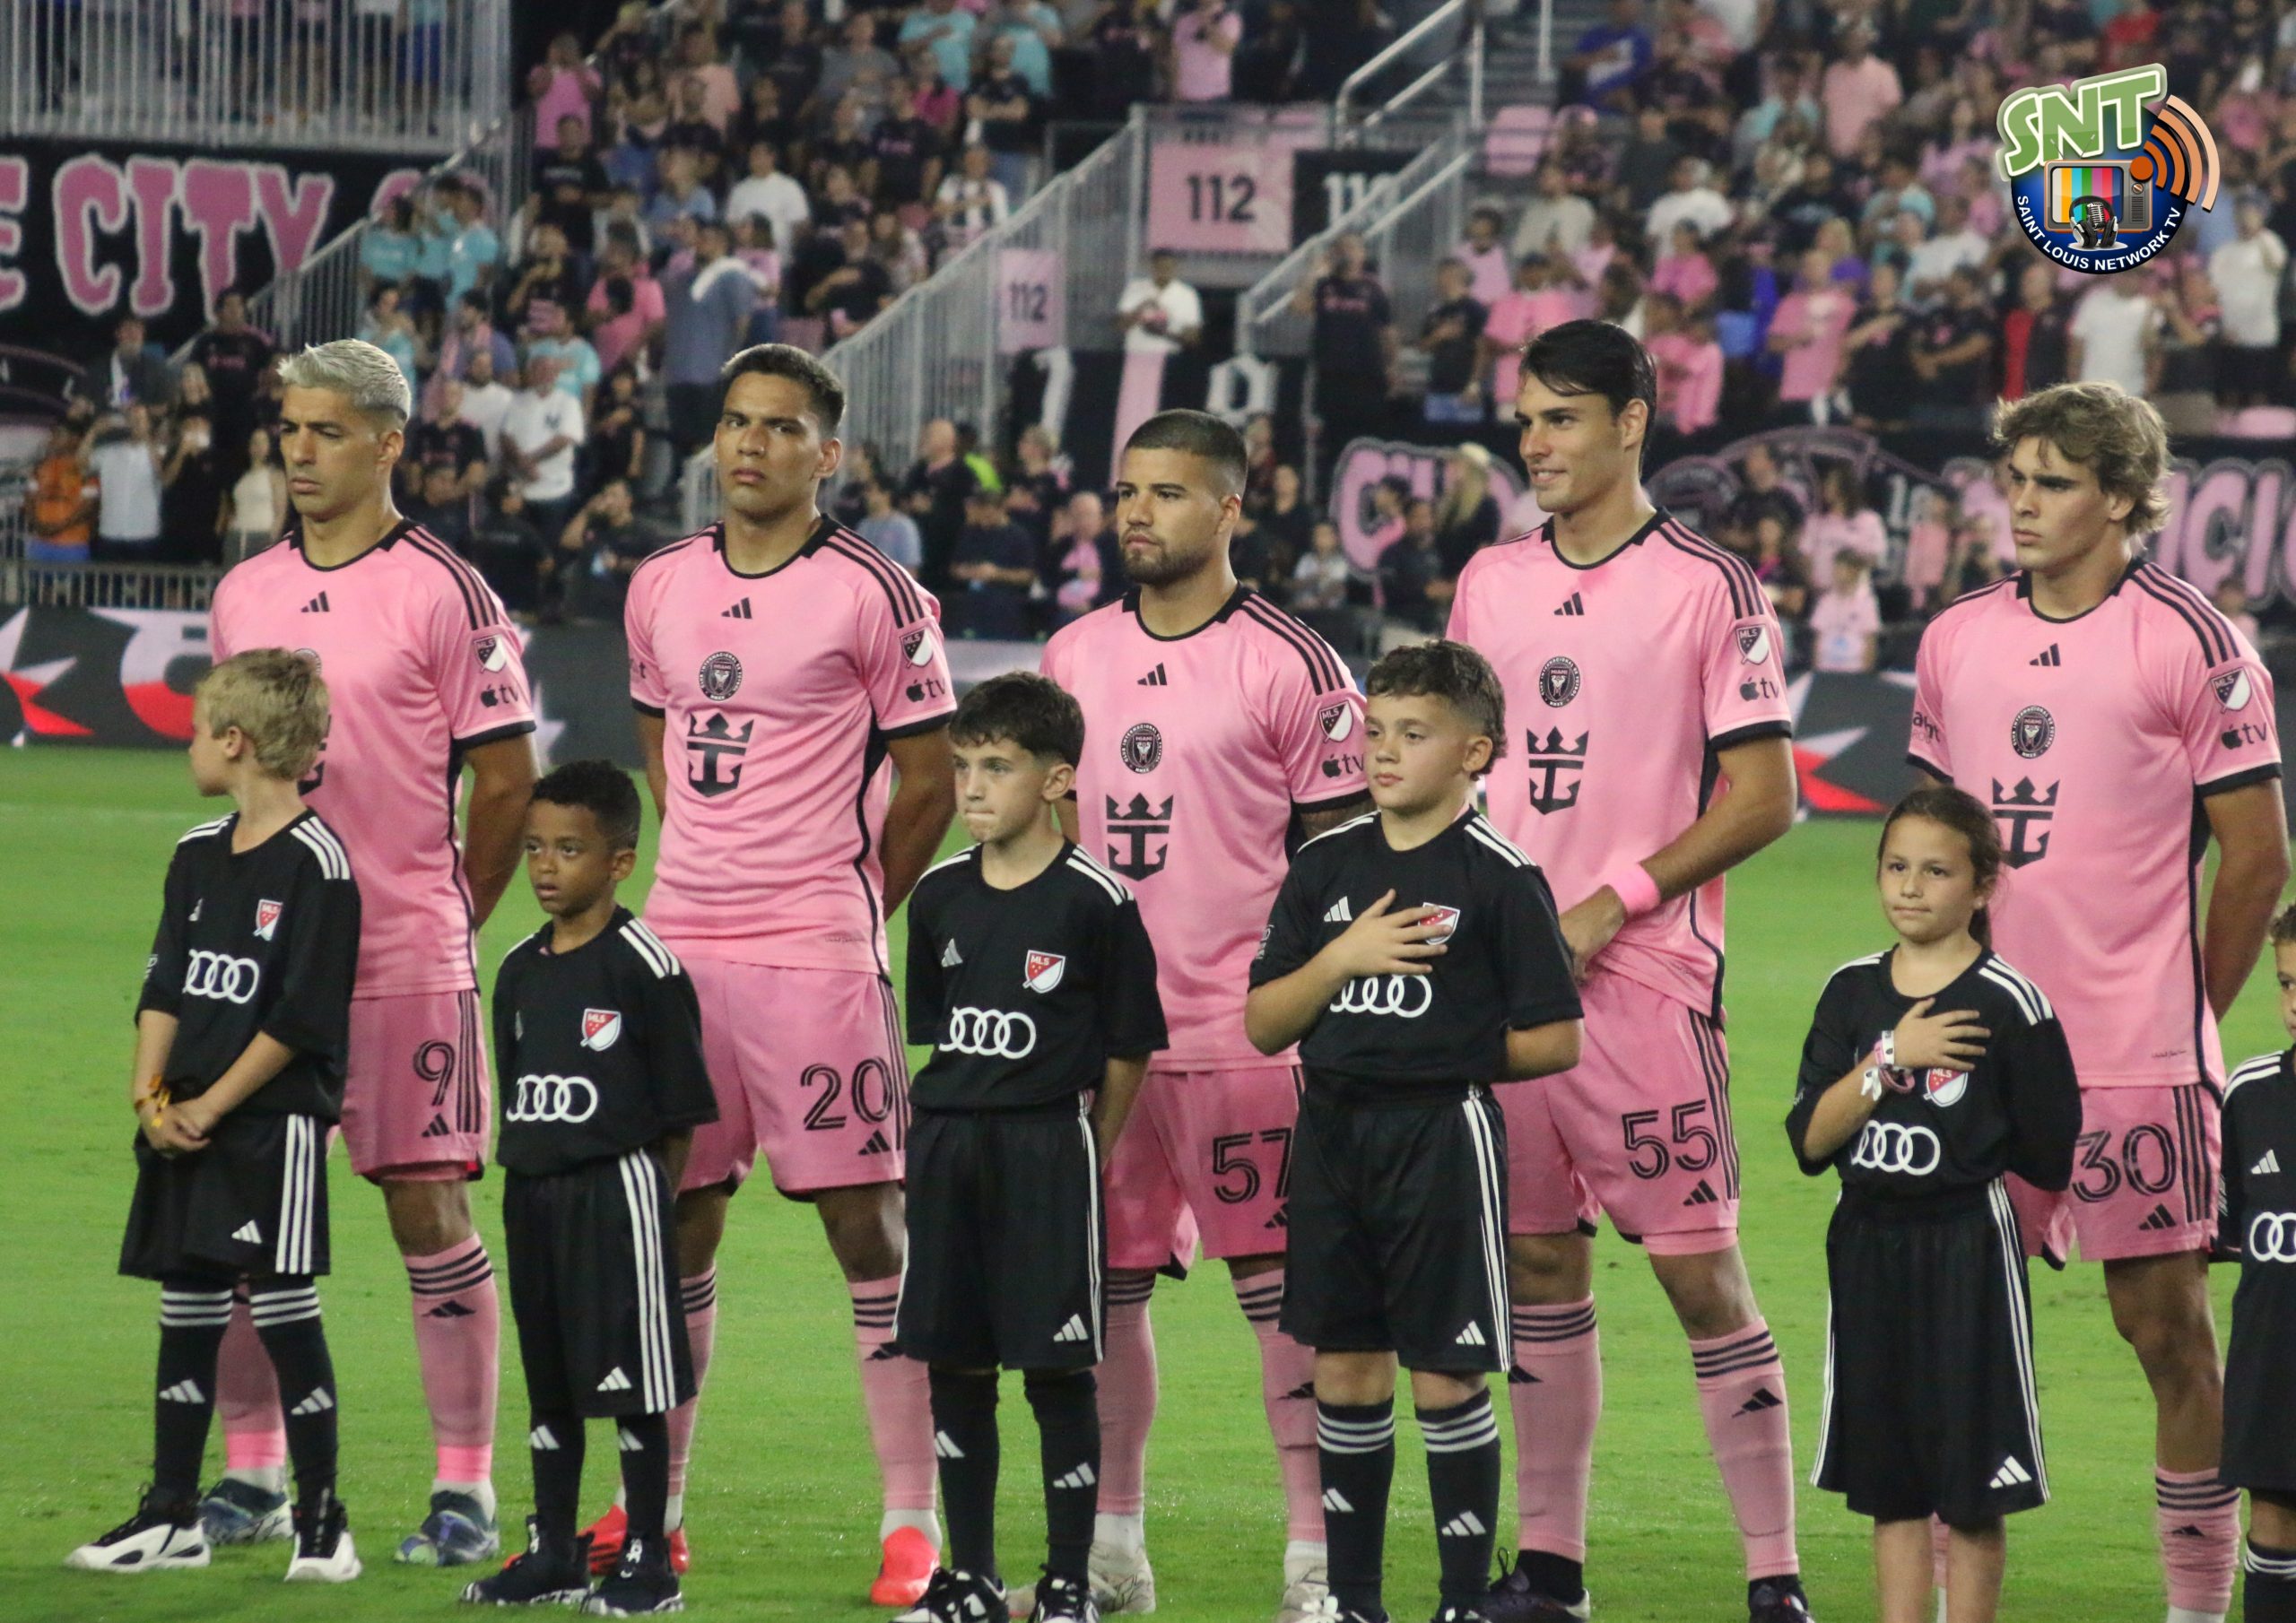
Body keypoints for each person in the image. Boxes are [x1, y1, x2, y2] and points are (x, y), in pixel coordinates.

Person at [1908, 379, 2289, 1623]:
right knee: (1953, 1330)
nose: (2023, 503)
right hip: (1977, 1050)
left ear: (2124, 498)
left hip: (2135, 1055)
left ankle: (2193, 1606)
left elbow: (2259, 858)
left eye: (2055, 483)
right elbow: (1930, 844)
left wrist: (2185, 1012)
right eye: (2014, 478)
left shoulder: (2192, 641)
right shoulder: (1956, 637)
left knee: (2165, 1330)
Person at [1446, 321, 1809, 1623]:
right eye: (1524, 420)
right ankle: (1551, 1569)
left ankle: (1774, 1574)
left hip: (1646, 976)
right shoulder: (1489, 580)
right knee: (1539, 1265)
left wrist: (1616, 900)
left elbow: (1766, 796)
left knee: (1700, 1271)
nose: (1533, 443)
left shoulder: (1711, 587)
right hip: (1505, 990)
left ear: (1631, 422)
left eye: (1559, 418)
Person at [610, 344, 958, 1603]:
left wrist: (852, 901)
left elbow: (932, 780)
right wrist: (712, 867)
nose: (750, 444)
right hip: (682, 946)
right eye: (735, 421)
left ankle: (911, 1519)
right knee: (674, 1216)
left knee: (867, 1226)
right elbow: (659, 735)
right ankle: (655, 1509)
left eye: (780, 426)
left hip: (816, 952)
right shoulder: (659, 582)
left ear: (829, 453)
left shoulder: (876, 593)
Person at [205, 339, 538, 1568]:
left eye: (327, 431)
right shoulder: (246, 591)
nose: (299, 451)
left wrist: (453, 916)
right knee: (241, 1215)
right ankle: (253, 1472)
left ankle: (465, 1487)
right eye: (289, 428)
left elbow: (509, 780)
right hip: (263, 960)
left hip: (403, 952)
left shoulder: (446, 591)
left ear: (389, 442)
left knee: (426, 1205)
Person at [1036, 411, 1370, 1623]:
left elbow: (1343, 861)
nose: (1138, 512)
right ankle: (1112, 1553)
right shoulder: (1072, 654)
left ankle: (1313, 1563)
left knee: (1285, 1302)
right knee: (1102, 1293)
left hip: (1248, 1039)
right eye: (1128, 490)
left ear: (1230, 508)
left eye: (1168, 493)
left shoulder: (1293, 664)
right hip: (1106, 1048)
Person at [1246, 640, 1584, 1623]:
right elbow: (1264, 1022)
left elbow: (1557, 1036)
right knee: (1344, 1364)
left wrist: (1437, 1049)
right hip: (1331, 1133)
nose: (1383, 752)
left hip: (1441, 1135)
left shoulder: (1500, 877)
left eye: (1413, 733)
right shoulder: (1324, 865)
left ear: (1475, 753)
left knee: (1445, 1366)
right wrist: (1341, 958)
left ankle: (1460, 1601)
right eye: (1376, 731)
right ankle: (1355, 1602)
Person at [65, 651, 363, 1584]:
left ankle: (322, 1521)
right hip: (183, 1122)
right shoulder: (197, 852)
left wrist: (209, 1103)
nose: (188, 745)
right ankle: (170, 1515)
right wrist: (151, 1099)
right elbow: (164, 985)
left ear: (235, 742)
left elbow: (302, 1020)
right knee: (185, 1306)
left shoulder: (320, 865)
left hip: (271, 1126)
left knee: (283, 1307)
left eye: (197, 731)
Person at [896, 673, 1169, 1623]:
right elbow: (937, 1030)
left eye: (997, 767)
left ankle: (1065, 1585)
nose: (971, 786)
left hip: (1047, 1149)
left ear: (1056, 780)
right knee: (954, 1365)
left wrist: (1088, 1145)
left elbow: (1130, 1046)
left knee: (1057, 1368)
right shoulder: (937, 896)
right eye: (963, 765)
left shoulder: (1097, 902)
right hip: (947, 1147)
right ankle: (970, 1580)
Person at [1788, 787, 2081, 1623]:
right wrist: (1891, 1059)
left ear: (1983, 886)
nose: (1910, 887)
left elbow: (2051, 1149)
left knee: (1974, 1488)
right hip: (1867, 1244)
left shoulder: (2009, 1003)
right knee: (1893, 1488)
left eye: (1936, 871)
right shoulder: (1851, 993)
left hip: (1967, 1249)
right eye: (1896, 867)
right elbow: (1809, 1140)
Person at [458, 762, 717, 1616]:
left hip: (620, 1194)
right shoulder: (518, 969)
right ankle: (553, 1554)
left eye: (568, 850)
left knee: (633, 1386)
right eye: (535, 848)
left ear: (618, 863)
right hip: (533, 1192)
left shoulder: (646, 968)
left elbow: (680, 1112)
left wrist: (645, 1203)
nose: (544, 866)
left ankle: (648, 1559)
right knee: (552, 1382)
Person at [2218, 908, 2296, 1623]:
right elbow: (2229, 1226)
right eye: (2287, 982)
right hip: (2273, 1362)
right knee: (2272, 1523)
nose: (2295, 1001)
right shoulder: (2251, 1094)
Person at [1292, 235, 1396, 486]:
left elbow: (1388, 331)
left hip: (1367, 375)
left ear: (1362, 254)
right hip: (1331, 375)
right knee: (1332, 438)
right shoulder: (1325, 286)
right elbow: (1298, 307)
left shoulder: (1374, 288)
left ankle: (1367, 484)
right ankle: (1332, 489)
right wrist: (1314, 272)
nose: (1347, 253)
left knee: (1366, 436)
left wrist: (1392, 366)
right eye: (1342, 248)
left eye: (1352, 248)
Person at [88, 404, 166, 560]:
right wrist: (93, 432)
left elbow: (162, 473)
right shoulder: (109, 451)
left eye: (141, 419)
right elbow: (81, 464)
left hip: (144, 534)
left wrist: (147, 437)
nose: (136, 422)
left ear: (149, 424)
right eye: (132, 419)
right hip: (110, 532)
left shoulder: (160, 451)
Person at [1808, 553, 1882, 675]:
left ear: (1854, 572)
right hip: (1826, 667)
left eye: (1841, 569)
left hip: (1854, 668)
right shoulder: (1825, 601)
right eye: (1835, 569)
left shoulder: (1867, 602)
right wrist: (1816, 671)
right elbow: (1818, 638)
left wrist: (1866, 675)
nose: (1836, 574)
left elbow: (1870, 640)